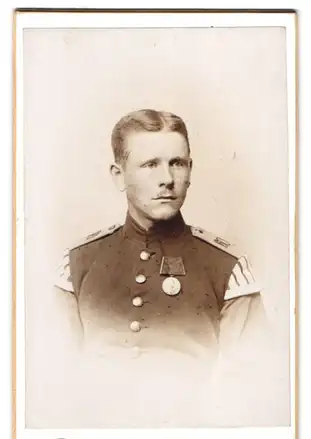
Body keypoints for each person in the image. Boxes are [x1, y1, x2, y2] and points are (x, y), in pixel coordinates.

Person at [55, 109, 266, 362]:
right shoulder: (77, 264)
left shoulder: (228, 268)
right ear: (118, 176)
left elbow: (252, 380)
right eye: (150, 164)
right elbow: (56, 376)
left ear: (190, 170)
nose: (166, 179)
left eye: (176, 163)